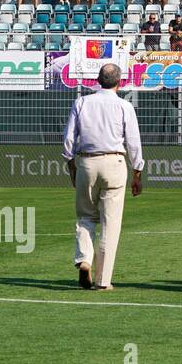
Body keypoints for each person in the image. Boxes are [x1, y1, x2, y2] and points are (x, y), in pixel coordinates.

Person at [60, 63, 143, 291]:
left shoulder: (82, 102)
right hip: (114, 162)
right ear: (120, 81)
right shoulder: (124, 106)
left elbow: (68, 140)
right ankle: (103, 281)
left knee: (85, 217)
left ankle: (84, 259)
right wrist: (137, 172)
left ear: (98, 80)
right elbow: (133, 142)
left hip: (87, 161)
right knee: (110, 225)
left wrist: (71, 165)